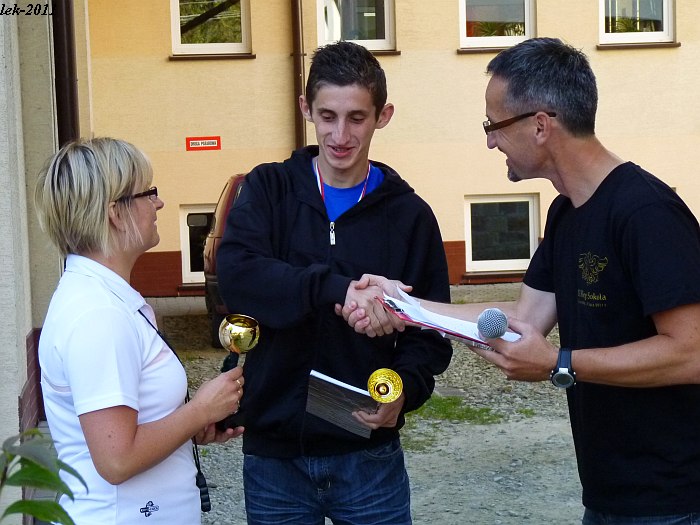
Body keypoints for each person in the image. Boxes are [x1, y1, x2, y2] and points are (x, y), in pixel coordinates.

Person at [343, 37, 700, 524]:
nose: (490, 141)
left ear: (540, 126)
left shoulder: (646, 212)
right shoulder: (567, 212)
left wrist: (559, 363)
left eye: (493, 125)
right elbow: (519, 320)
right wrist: (402, 305)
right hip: (611, 496)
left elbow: (692, 353)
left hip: (675, 502)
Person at [216, 40, 453, 524]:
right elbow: (239, 277)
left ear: (383, 116)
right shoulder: (269, 189)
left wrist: (402, 390)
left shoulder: (409, 215)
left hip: (367, 458)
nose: (340, 135)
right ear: (306, 108)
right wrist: (338, 289)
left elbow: (431, 332)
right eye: (327, 116)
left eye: (356, 118)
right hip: (274, 459)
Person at [35, 137, 245, 524]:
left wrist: (188, 425)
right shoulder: (98, 314)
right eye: (148, 192)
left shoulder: (103, 298)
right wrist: (200, 410)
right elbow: (117, 459)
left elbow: (130, 427)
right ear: (115, 212)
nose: (159, 203)